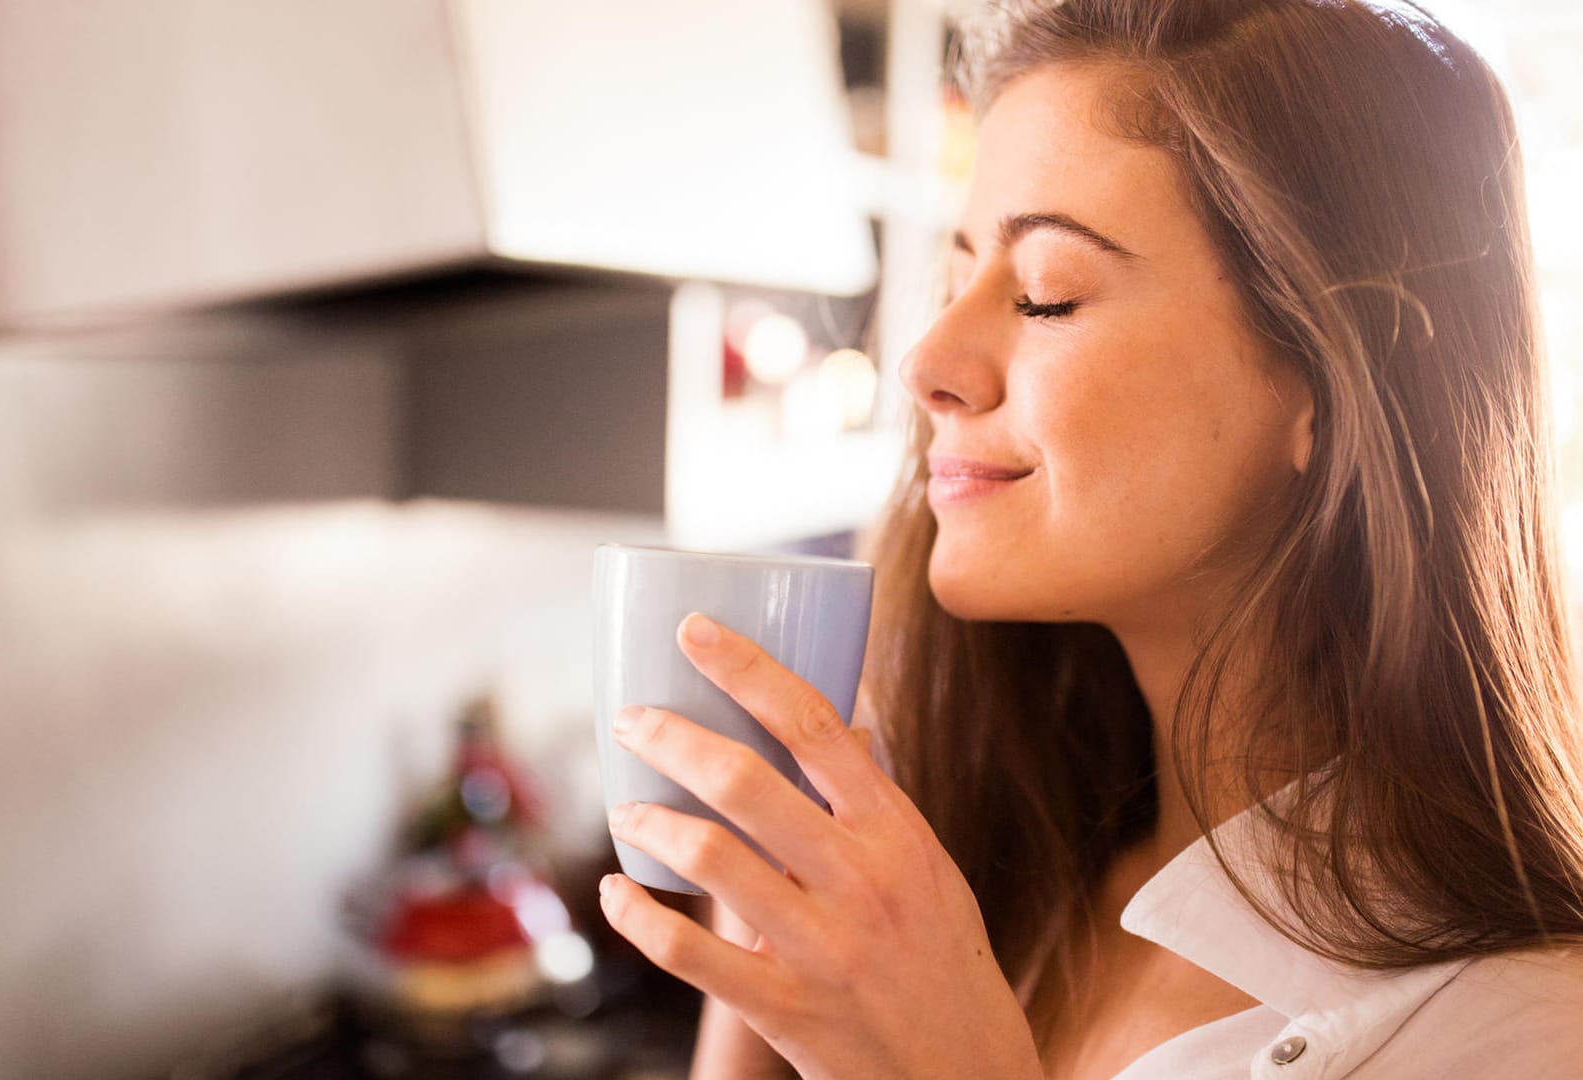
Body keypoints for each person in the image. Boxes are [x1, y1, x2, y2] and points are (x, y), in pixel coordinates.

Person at [597, 0, 1583, 1076]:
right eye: (952, 277)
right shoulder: (994, 887)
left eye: (1046, 295)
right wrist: (762, 969)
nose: (926, 359)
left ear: (1330, 378)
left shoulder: (1521, 1026)